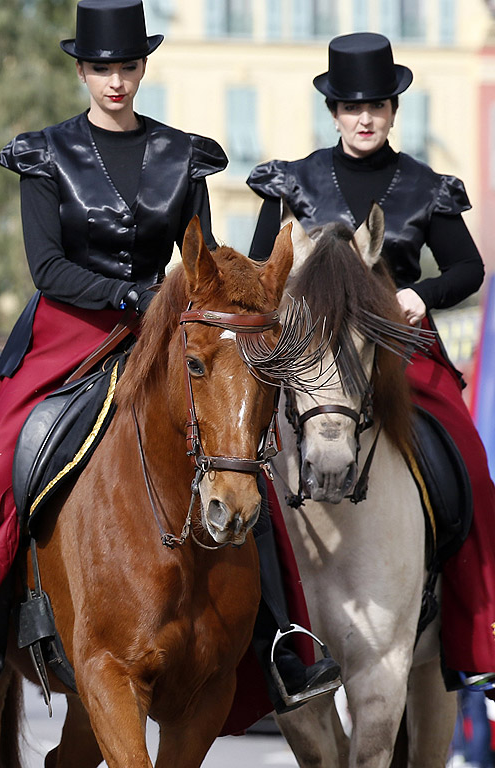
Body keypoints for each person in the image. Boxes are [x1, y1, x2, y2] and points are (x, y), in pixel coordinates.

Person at [0, 0, 336, 735]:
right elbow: (46, 266)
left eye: (126, 66)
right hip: (69, 329)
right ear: (82, 70)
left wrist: (188, 300)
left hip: (173, 333)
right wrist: (133, 293)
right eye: (100, 68)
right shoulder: (45, 153)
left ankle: (282, 638)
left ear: (142, 67)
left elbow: (200, 258)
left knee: (241, 454)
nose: (114, 79)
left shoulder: (186, 153)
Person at [247, 31, 495, 687]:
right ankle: (252, 632)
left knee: (471, 465)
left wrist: (421, 294)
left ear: (392, 111)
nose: (365, 118)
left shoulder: (424, 186)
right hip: (307, 360)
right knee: (232, 455)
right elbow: (259, 272)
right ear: (333, 111)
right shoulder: (291, 183)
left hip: (402, 355)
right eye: (353, 107)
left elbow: (468, 268)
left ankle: (479, 637)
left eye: (378, 106)